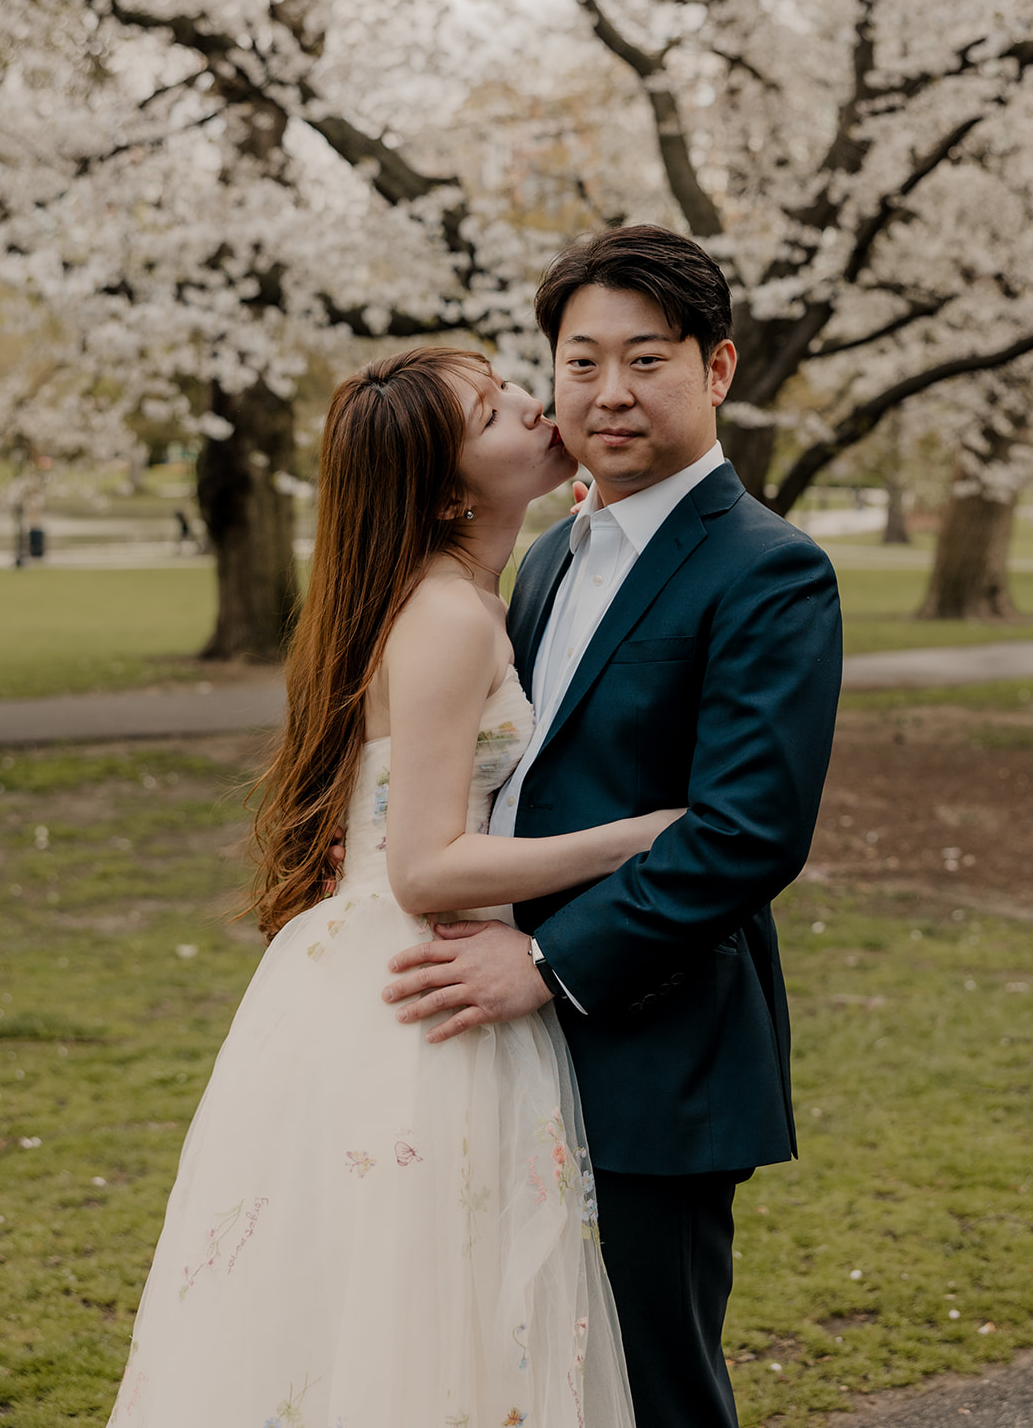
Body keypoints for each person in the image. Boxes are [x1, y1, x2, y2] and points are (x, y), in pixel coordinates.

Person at [106, 346, 682, 1428]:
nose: (532, 403)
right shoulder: (450, 616)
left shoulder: (467, 592)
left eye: (515, 385)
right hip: (416, 984)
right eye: (494, 412)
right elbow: (423, 865)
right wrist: (629, 840)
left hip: (379, 969)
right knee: (421, 1300)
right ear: (450, 487)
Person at [382, 227, 845, 1428]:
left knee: (654, 1387)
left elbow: (746, 833)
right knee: (528, 1383)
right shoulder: (540, 563)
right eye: (579, 363)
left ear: (719, 368)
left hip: (654, 1046)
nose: (609, 393)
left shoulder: (768, 570)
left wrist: (543, 961)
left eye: (646, 360)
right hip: (497, 1053)